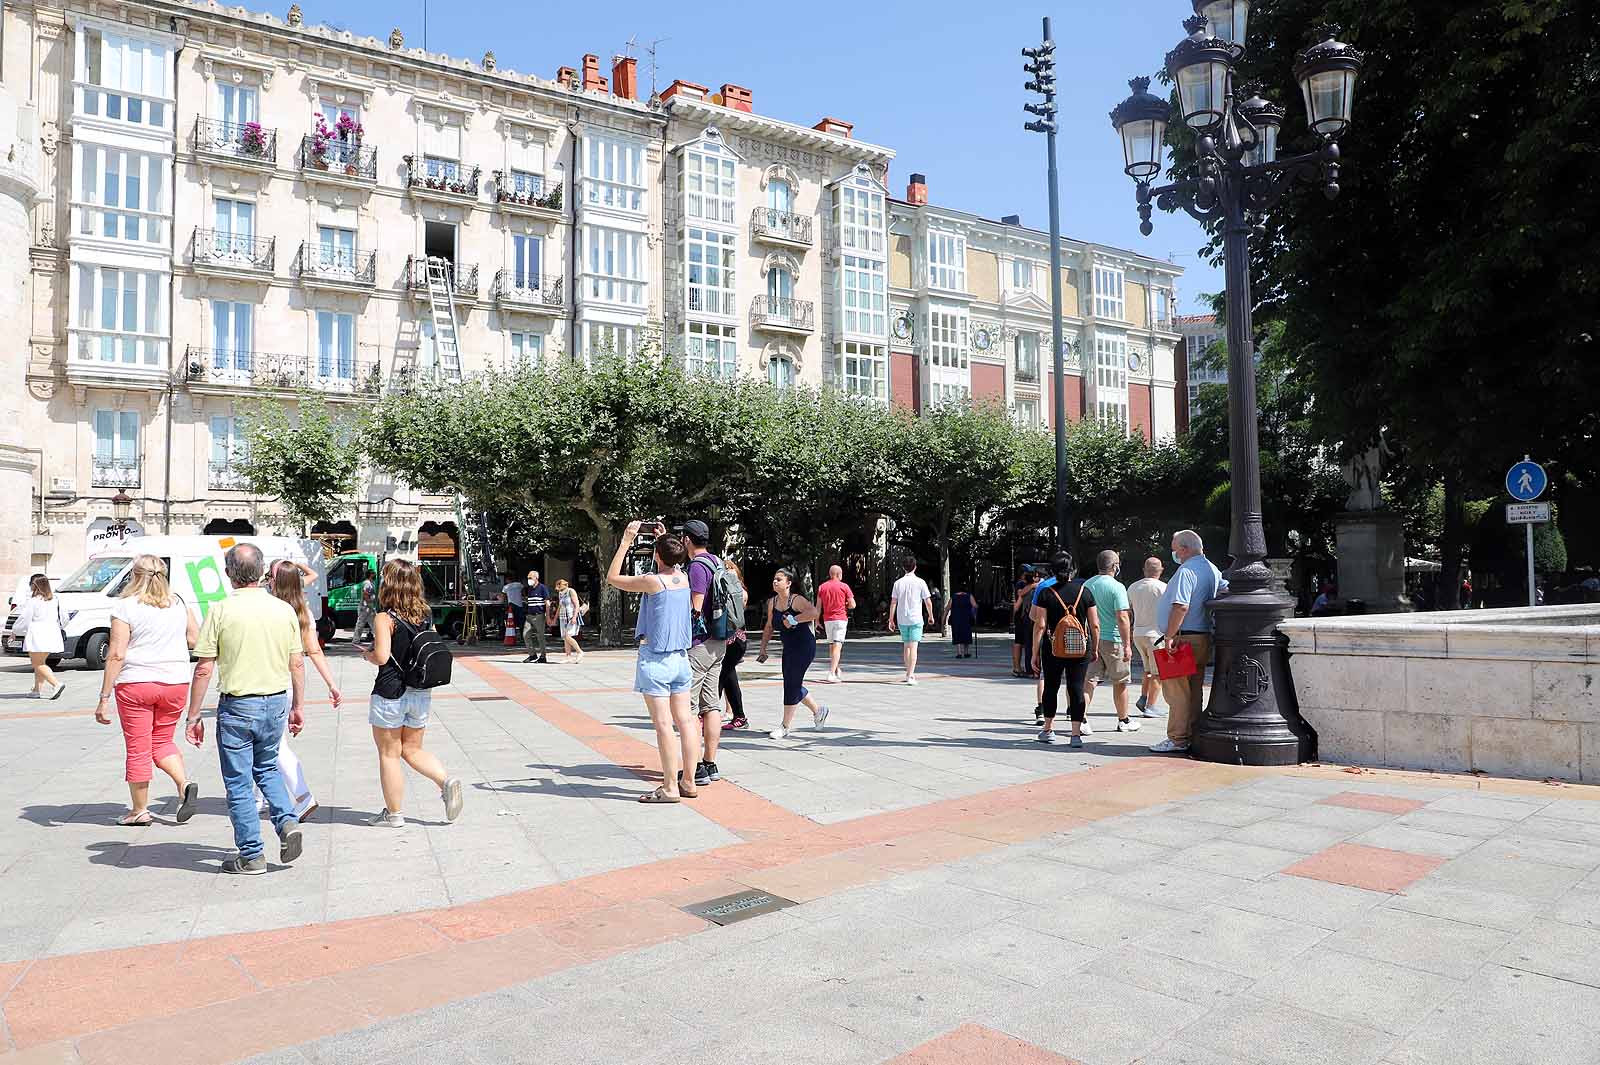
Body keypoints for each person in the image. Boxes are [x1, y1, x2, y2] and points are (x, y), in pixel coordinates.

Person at [184, 543, 306, 874]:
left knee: (238, 782)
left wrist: (193, 716)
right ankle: (286, 821)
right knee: (267, 768)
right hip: (276, 700)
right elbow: (297, 662)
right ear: (262, 571)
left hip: (239, 704)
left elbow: (205, 668)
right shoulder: (283, 610)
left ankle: (252, 854)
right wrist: (298, 705)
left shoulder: (221, 610)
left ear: (228, 574)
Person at [94, 555, 199, 826]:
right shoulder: (178, 602)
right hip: (175, 681)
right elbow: (194, 639)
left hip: (137, 683)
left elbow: (116, 653)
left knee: (139, 747)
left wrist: (104, 696)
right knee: (162, 740)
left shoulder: (125, 606)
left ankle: (139, 810)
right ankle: (183, 784)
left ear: (134, 575)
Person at [362, 559, 464, 827]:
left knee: (389, 753)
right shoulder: (426, 614)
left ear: (390, 584)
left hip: (390, 691)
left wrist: (368, 655)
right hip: (420, 690)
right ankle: (445, 781)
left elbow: (383, 656)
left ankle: (394, 814)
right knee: (413, 749)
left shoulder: (385, 618)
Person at [606, 520, 699, 803]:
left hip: (656, 659)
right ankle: (689, 781)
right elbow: (672, 562)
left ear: (657, 556)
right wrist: (665, 540)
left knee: (662, 725)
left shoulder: (651, 582)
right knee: (686, 721)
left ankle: (670, 788)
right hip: (681, 659)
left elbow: (612, 577)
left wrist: (625, 541)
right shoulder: (684, 578)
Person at [266, 561, 340, 820]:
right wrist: (331, 684)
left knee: (273, 747)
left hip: (269, 683)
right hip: (286, 685)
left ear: (275, 582)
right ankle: (258, 797)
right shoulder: (303, 611)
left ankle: (302, 795)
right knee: (268, 745)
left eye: (269, 576)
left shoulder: (269, 608)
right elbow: (315, 651)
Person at [1150, 529, 1227, 755]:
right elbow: (1226, 589)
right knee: (1194, 691)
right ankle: (1192, 734)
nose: (1174, 554)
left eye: (1175, 550)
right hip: (1202, 636)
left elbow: (1180, 606)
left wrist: (1170, 636)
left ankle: (1177, 738)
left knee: (1177, 692)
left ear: (1184, 549)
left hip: (1184, 638)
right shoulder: (1212, 569)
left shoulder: (1186, 571)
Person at [1030, 552, 1098, 747]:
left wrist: (1035, 652)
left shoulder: (1046, 593)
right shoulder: (1085, 592)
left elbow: (1040, 625)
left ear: (1052, 571)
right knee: (1076, 688)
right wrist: (1094, 647)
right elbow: (1095, 624)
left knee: (1051, 687)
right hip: (1080, 648)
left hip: (1053, 647)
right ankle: (1075, 734)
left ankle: (1048, 730)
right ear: (1072, 570)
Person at [757, 567, 830, 740]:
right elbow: (769, 626)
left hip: (804, 646)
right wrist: (763, 648)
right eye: (774, 579)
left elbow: (814, 612)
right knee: (791, 683)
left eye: (779, 579)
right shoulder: (772, 603)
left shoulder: (795, 600)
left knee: (792, 684)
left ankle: (785, 726)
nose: (775, 582)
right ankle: (819, 711)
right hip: (789, 647)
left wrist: (794, 619)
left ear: (788, 583)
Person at [683, 519, 728, 788]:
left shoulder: (698, 567)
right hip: (719, 641)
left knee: (688, 707)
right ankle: (710, 764)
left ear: (688, 540)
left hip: (699, 643)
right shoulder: (716, 561)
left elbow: (695, 607)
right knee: (711, 705)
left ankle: (695, 767)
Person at [1082, 550, 1139, 733]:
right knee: (1120, 681)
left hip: (1092, 639)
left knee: (1089, 681)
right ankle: (1123, 720)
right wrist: (1128, 644)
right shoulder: (1117, 587)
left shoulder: (1087, 585)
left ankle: (1081, 719)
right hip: (1114, 640)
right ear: (1115, 566)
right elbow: (1122, 617)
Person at [1127, 557, 1167, 718]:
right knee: (1159, 673)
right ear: (1161, 570)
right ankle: (1151, 706)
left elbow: (1128, 611)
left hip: (1138, 633)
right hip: (1156, 635)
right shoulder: (1165, 588)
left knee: (1148, 670)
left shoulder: (1133, 587)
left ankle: (1144, 698)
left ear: (1144, 570)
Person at [15, 574, 66, 699]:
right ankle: (36, 690)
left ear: (35, 585)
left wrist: (15, 631)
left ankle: (56, 684)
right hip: (52, 633)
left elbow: (25, 619)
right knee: (40, 662)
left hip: (37, 634)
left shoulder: (33, 601)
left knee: (37, 663)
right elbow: (64, 618)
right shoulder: (55, 599)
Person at [889, 556, 933, 685]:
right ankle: (911, 674)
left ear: (903, 568)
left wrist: (891, 619)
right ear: (915, 567)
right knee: (914, 647)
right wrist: (930, 615)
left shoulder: (898, 583)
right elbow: (928, 601)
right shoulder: (920, 582)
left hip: (902, 618)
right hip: (916, 618)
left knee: (906, 646)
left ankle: (907, 672)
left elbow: (893, 602)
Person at [719, 559, 749, 730]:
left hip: (735, 640)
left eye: (730, 569)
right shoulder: (727, 591)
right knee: (729, 679)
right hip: (726, 640)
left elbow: (734, 616)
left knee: (719, 678)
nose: (728, 571)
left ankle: (707, 715)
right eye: (725, 569)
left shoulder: (740, 593)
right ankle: (739, 716)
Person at [816, 564, 856, 682]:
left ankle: (837, 668)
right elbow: (853, 604)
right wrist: (847, 604)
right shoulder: (844, 586)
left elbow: (818, 606)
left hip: (827, 619)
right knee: (837, 646)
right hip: (840, 619)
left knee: (832, 645)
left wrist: (817, 620)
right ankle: (831, 673)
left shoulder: (822, 587)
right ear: (839, 574)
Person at [1012, 569, 1040, 678]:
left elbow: (1016, 607)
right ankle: (1035, 670)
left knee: (1028, 644)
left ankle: (1024, 669)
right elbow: (1017, 603)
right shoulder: (1026, 586)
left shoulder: (1027, 588)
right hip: (1031, 619)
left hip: (1024, 619)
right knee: (1033, 644)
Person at [553, 578, 585, 663]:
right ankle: (568, 656)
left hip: (571, 616)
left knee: (567, 636)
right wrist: (555, 618)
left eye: (560, 588)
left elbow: (577, 605)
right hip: (563, 618)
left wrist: (574, 617)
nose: (559, 590)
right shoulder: (560, 593)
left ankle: (579, 652)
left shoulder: (571, 591)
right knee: (565, 638)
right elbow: (560, 606)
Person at [522, 570, 550, 663]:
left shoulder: (542, 588)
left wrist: (548, 616)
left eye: (530, 578)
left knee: (540, 636)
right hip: (529, 616)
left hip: (539, 615)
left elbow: (547, 602)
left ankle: (543, 656)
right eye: (528, 578)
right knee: (526, 634)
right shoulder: (529, 589)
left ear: (536, 578)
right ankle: (532, 655)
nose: (529, 580)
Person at [946, 586, 978, 658]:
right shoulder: (969, 596)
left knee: (957, 634)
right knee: (966, 634)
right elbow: (975, 606)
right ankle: (966, 652)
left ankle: (959, 653)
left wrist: (944, 618)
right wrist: (974, 612)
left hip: (956, 618)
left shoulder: (953, 597)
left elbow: (948, 608)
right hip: (966, 618)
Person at [353, 571, 377, 644]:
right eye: (373, 573)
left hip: (369, 607)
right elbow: (365, 594)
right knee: (361, 623)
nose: (375, 575)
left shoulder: (370, 583)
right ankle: (356, 640)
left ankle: (378, 639)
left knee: (374, 623)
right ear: (370, 575)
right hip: (365, 607)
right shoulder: (367, 583)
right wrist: (369, 602)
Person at [502, 573, 526, 637]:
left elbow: (504, 598)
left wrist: (505, 606)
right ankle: (522, 636)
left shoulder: (505, 587)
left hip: (511, 605)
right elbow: (524, 593)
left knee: (512, 621)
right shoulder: (519, 584)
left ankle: (513, 635)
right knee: (521, 621)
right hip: (520, 605)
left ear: (507, 580)